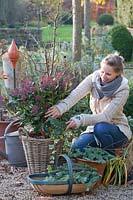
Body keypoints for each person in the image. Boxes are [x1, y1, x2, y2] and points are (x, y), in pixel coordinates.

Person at [45, 53, 132, 155]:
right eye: (102, 71)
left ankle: (109, 163)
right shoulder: (94, 79)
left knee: (101, 128)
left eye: (108, 74)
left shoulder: (122, 89)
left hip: (117, 130)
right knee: (76, 149)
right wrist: (60, 108)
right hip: (95, 128)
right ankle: (98, 155)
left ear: (117, 74)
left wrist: (80, 120)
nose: (103, 76)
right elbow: (76, 94)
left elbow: (105, 117)